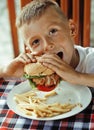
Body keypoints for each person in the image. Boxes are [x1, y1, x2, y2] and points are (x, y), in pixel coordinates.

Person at [16, 0, 94, 87]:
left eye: (53, 31)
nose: (47, 45)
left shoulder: (90, 59)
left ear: (71, 30)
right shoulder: (35, 71)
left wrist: (77, 76)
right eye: (36, 41)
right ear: (30, 51)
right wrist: (5, 71)